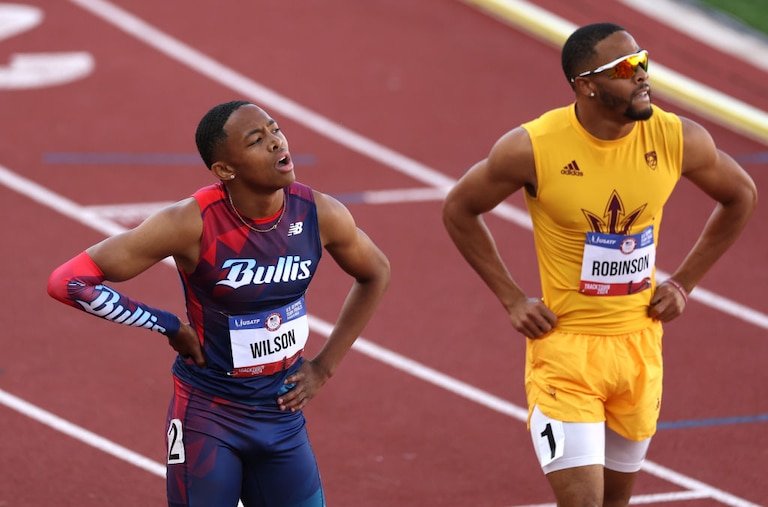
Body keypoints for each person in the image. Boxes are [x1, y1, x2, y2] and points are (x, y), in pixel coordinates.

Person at [442, 22, 757, 507]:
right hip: (565, 351)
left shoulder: (676, 138)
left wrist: (684, 283)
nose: (643, 75)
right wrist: (511, 298)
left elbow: (741, 196)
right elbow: (459, 209)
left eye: (643, 61)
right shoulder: (533, 147)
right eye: (627, 68)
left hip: (639, 349)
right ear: (587, 84)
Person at [47, 100, 391, 507]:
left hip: (281, 415)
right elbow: (68, 282)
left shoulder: (320, 214)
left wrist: (324, 368)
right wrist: (168, 325)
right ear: (225, 169)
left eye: (275, 129)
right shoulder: (190, 223)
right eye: (256, 140)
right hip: (209, 417)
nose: (277, 143)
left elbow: (376, 272)